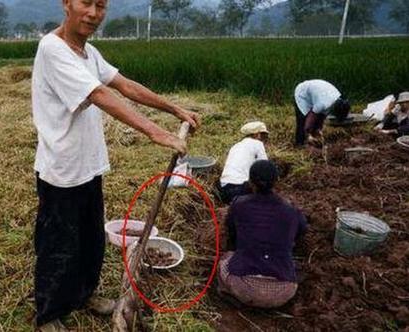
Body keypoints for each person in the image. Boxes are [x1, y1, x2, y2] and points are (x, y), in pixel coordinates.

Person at [31, 0, 200, 330]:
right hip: (61, 172)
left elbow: (124, 85)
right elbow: (100, 95)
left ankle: (83, 295)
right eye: (86, 3)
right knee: (59, 246)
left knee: (91, 240)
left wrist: (174, 109)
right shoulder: (52, 48)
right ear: (66, 3)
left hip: (88, 166)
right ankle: (48, 314)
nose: (94, 13)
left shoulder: (88, 52)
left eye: (101, 5)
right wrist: (156, 132)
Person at [217, 160, 307, 309]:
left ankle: (230, 296)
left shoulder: (239, 204)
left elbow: (231, 232)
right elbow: (302, 230)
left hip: (243, 287)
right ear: (276, 182)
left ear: (251, 182)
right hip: (283, 291)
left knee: (224, 260)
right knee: (291, 263)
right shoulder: (291, 210)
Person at [217, 121, 269, 205]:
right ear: (256, 134)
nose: (263, 138)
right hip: (240, 189)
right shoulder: (258, 144)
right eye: (262, 135)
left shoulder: (236, 146)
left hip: (224, 189)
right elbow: (265, 167)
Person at [293, 79, 351, 147]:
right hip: (302, 93)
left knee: (317, 119)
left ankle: (314, 138)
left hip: (317, 92)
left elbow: (322, 116)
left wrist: (318, 129)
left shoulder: (336, 98)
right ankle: (300, 143)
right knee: (302, 120)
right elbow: (311, 117)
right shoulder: (322, 104)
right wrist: (308, 132)